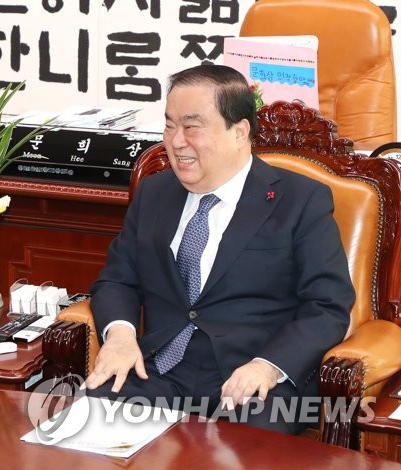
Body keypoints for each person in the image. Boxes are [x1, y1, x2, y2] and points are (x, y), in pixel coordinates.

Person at [83, 64, 354, 434]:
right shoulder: (154, 193)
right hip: (159, 372)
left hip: (252, 380)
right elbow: (117, 280)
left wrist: (269, 365)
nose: (176, 141)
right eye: (169, 125)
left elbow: (328, 305)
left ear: (239, 132)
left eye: (192, 127)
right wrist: (120, 336)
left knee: (250, 441)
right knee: (93, 417)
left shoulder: (300, 201)